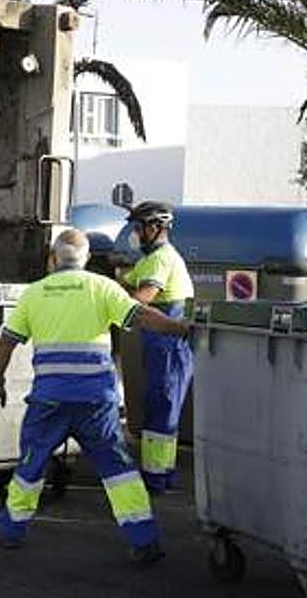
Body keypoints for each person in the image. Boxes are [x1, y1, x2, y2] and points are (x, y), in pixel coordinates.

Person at [0, 228, 190, 564]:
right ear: (87, 258)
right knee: (118, 470)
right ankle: (143, 538)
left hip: (49, 401)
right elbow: (142, 316)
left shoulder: (34, 294)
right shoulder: (102, 287)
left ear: (52, 258)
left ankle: (12, 532)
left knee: (31, 464)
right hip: (96, 401)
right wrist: (181, 328)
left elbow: (7, 342)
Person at [120, 200, 195, 494]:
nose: (136, 234)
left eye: (139, 228)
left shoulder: (162, 258)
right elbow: (124, 284)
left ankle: (156, 478)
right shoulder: (149, 259)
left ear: (155, 228)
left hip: (168, 344)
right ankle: (159, 472)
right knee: (158, 405)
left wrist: (113, 299)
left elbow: (143, 297)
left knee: (163, 407)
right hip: (160, 344)